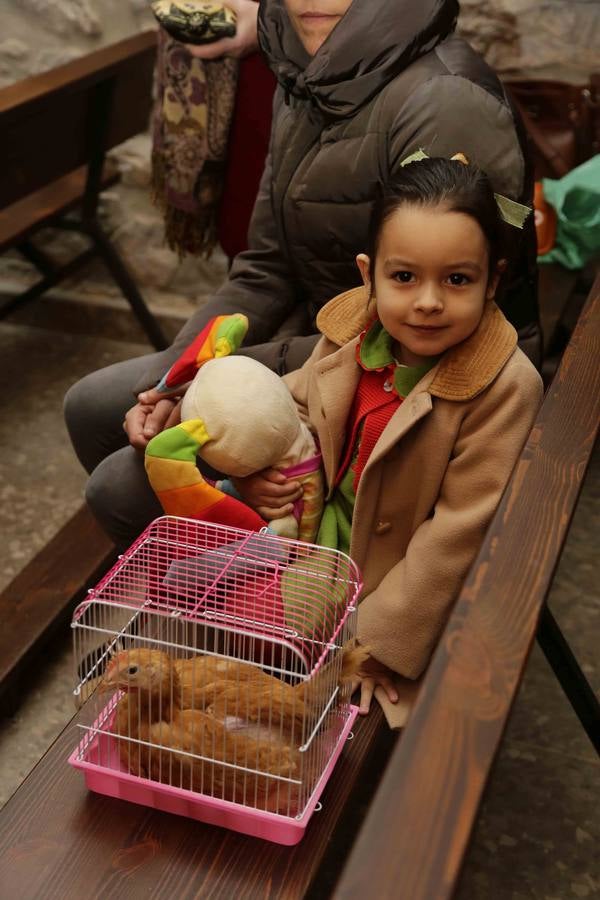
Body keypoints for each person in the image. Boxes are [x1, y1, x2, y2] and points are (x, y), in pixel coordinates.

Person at [65, 0, 541, 551]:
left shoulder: (447, 102)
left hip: (405, 372)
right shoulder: (303, 72)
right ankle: (209, 585)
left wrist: (213, 393)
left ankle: (261, 603)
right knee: (96, 403)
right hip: (332, 335)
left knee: (119, 487)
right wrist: (180, 375)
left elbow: (436, 315)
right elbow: (265, 266)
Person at [239, 156, 543, 715]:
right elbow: (297, 407)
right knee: (199, 606)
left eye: (457, 279)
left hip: (384, 578)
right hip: (313, 534)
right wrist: (263, 472)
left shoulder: (503, 385)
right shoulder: (356, 332)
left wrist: (373, 645)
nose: (428, 301)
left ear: (492, 280)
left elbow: (456, 535)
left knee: (260, 663)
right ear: (368, 274)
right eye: (404, 277)